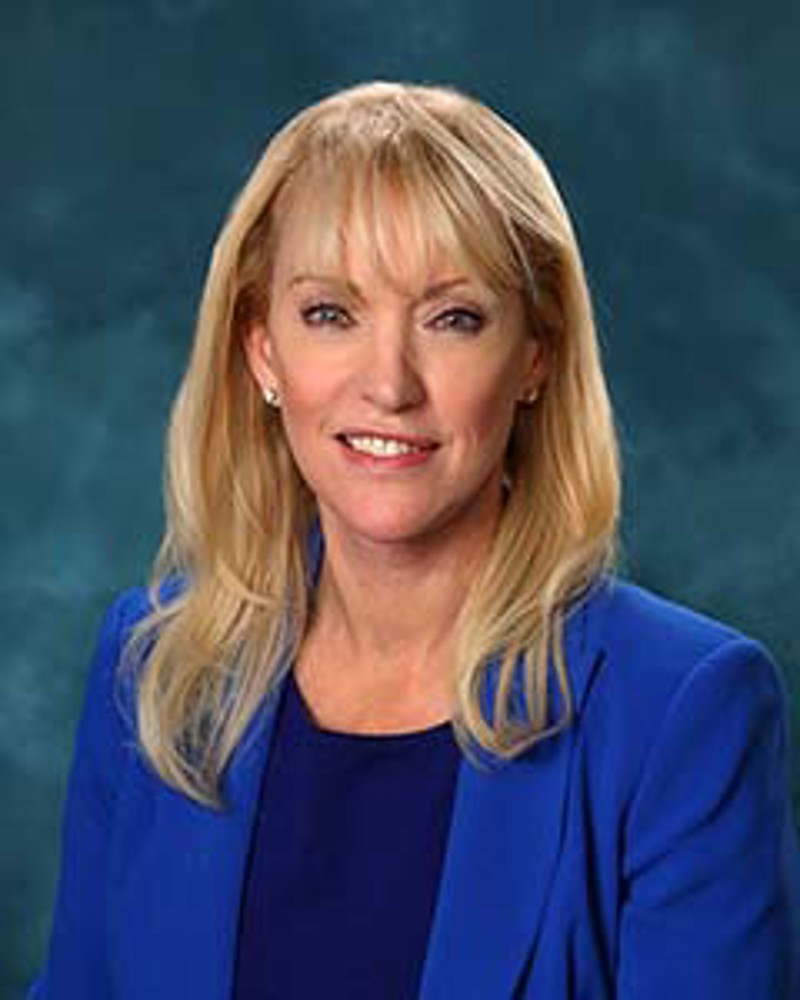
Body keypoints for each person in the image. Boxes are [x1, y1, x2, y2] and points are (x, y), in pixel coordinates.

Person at [29, 80, 799, 999]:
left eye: (452, 318)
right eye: (330, 314)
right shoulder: (157, 665)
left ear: (536, 355)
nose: (389, 384)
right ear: (263, 350)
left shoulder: (683, 711)